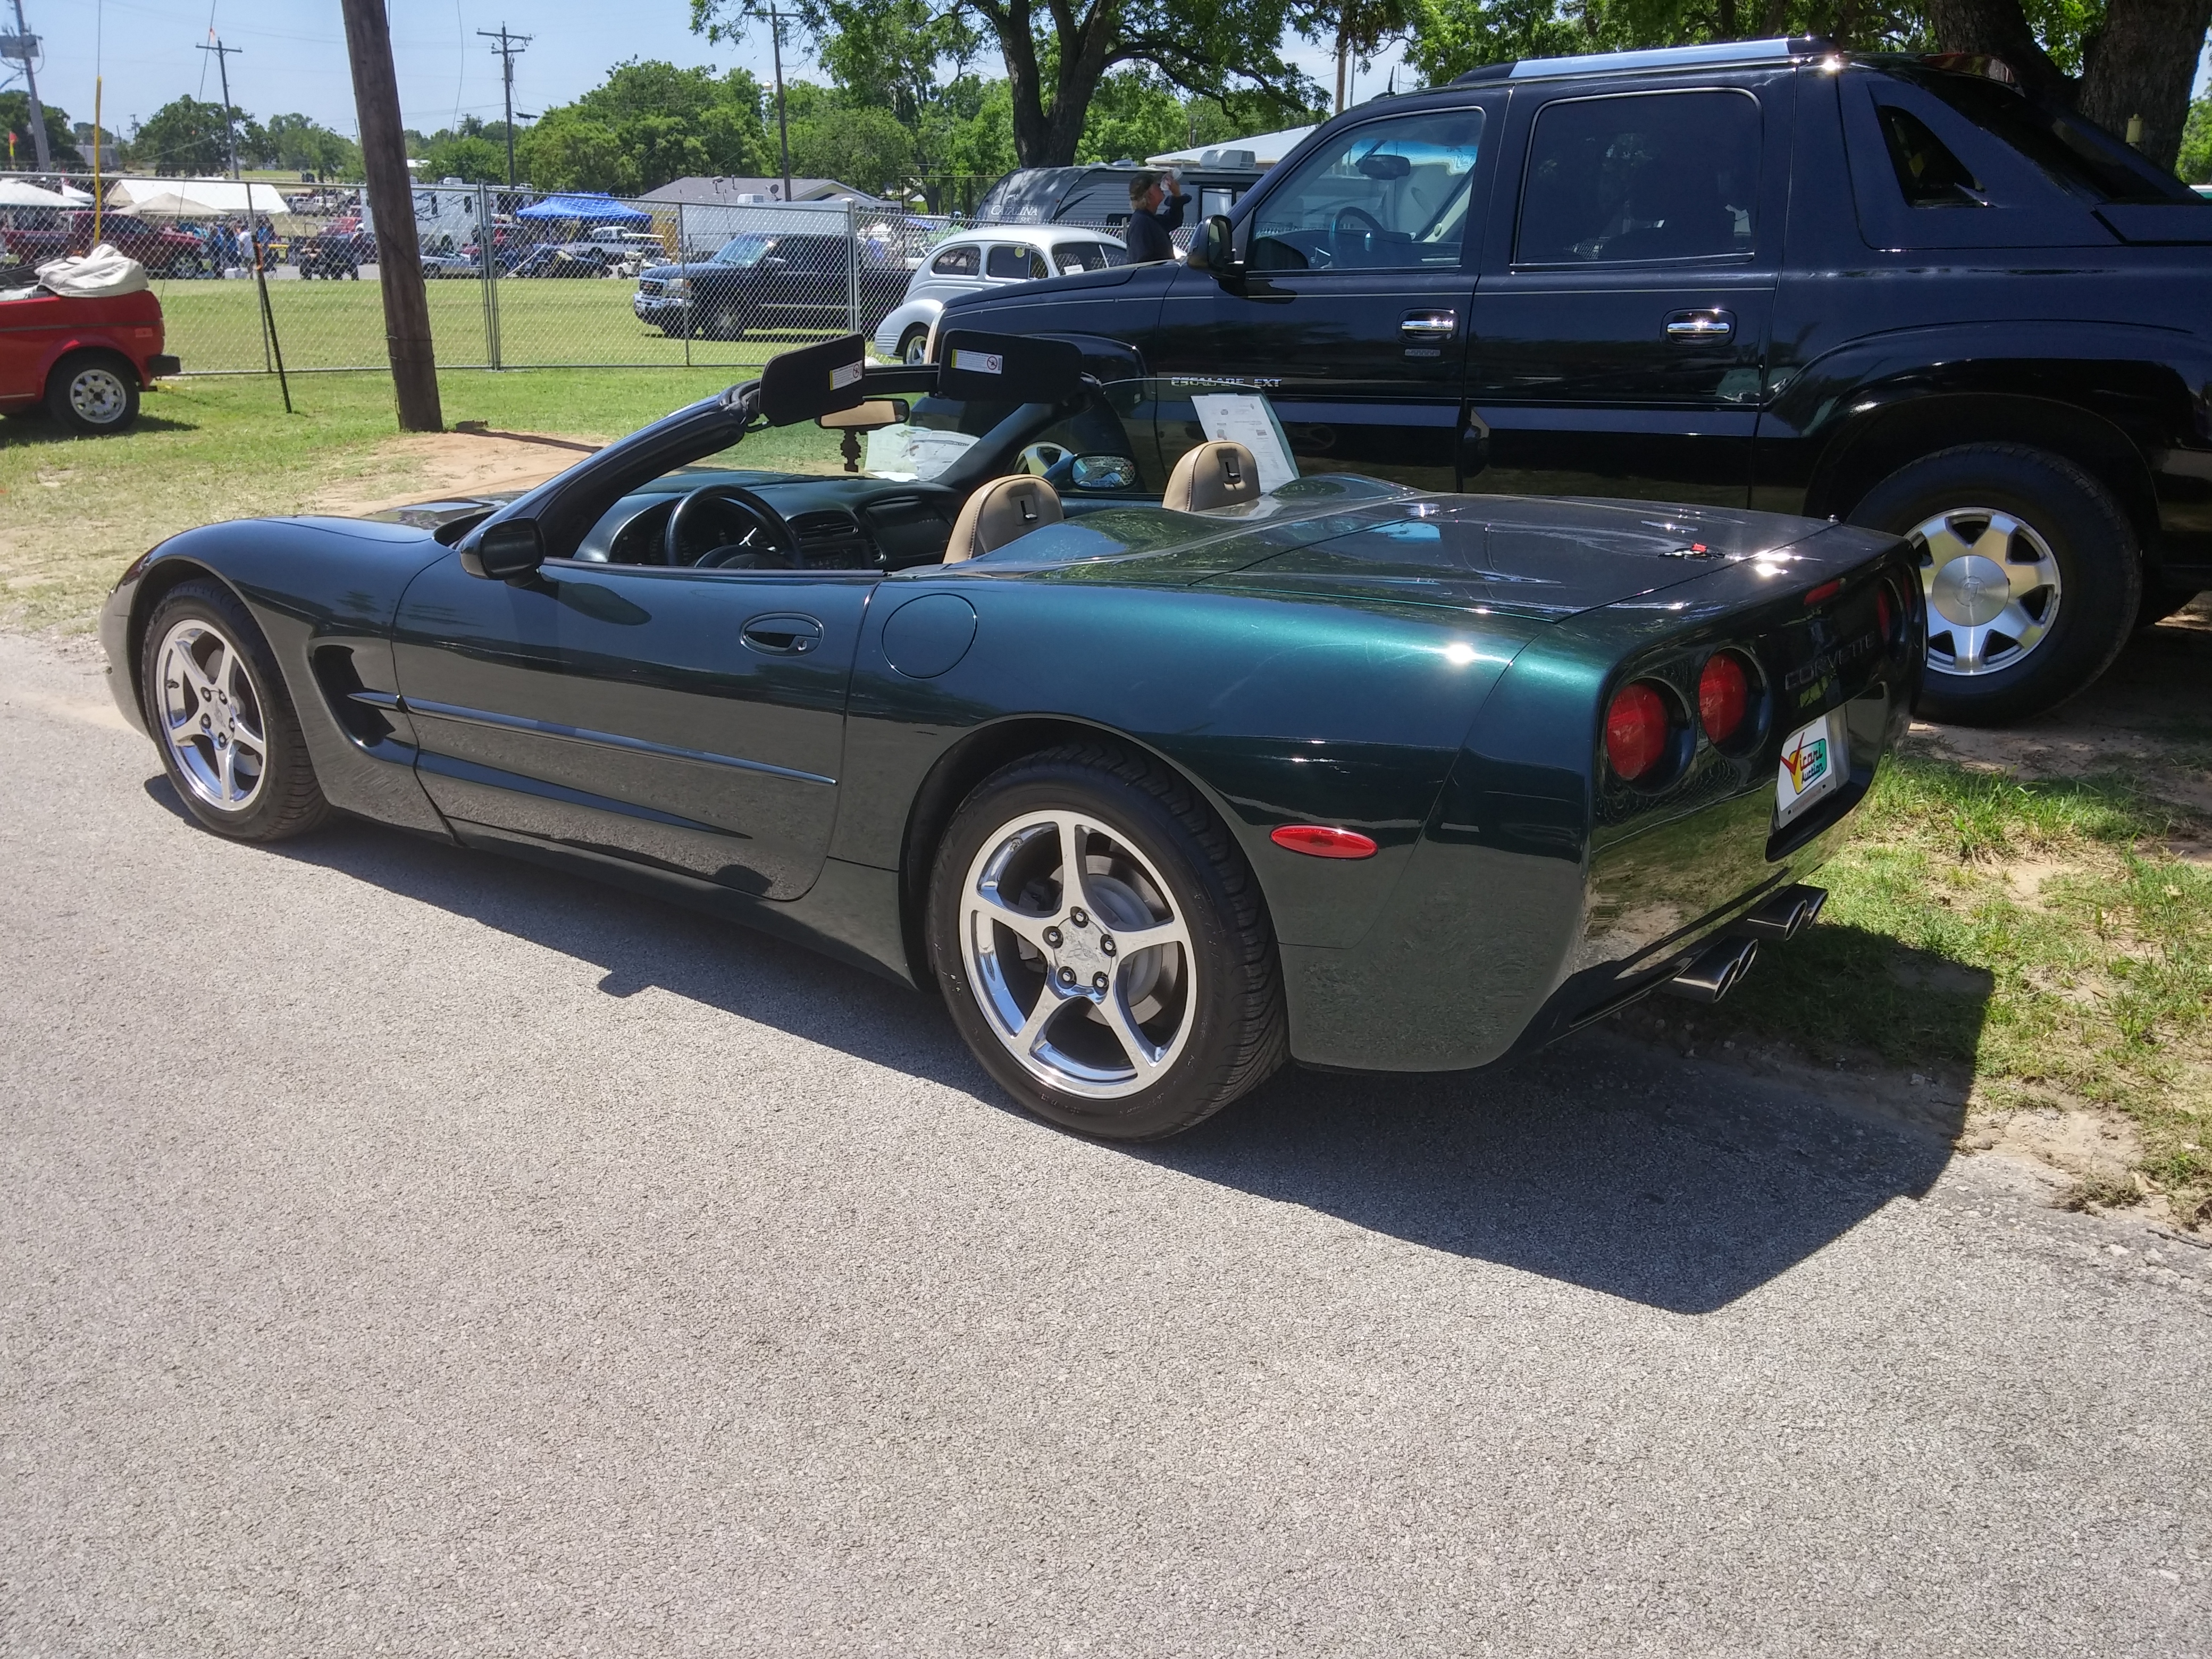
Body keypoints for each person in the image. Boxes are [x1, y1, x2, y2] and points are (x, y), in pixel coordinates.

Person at [1122, 169, 1189, 264]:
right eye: (1157, 185)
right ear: (1149, 193)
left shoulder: (1150, 220)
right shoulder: (1142, 223)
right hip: (1153, 279)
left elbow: (1174, 220)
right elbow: (1144, 264)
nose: (1161, 187)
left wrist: (1176, 195)